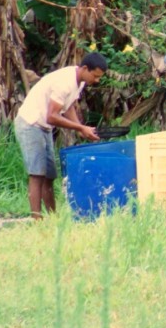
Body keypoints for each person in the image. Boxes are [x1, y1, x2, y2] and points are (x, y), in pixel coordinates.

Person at [13, 52, 108, 219]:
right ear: (85, 68)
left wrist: (80, 129)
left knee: (49, 176)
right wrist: (80, 127)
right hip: (31, 123)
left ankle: (53, 218)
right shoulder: (65, 82)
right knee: (37, 174)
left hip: (44, 127)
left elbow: (68, 105)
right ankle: (37, 219)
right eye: (95, 76)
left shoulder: (79, 81)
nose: (97, 80)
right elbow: (52, 116)